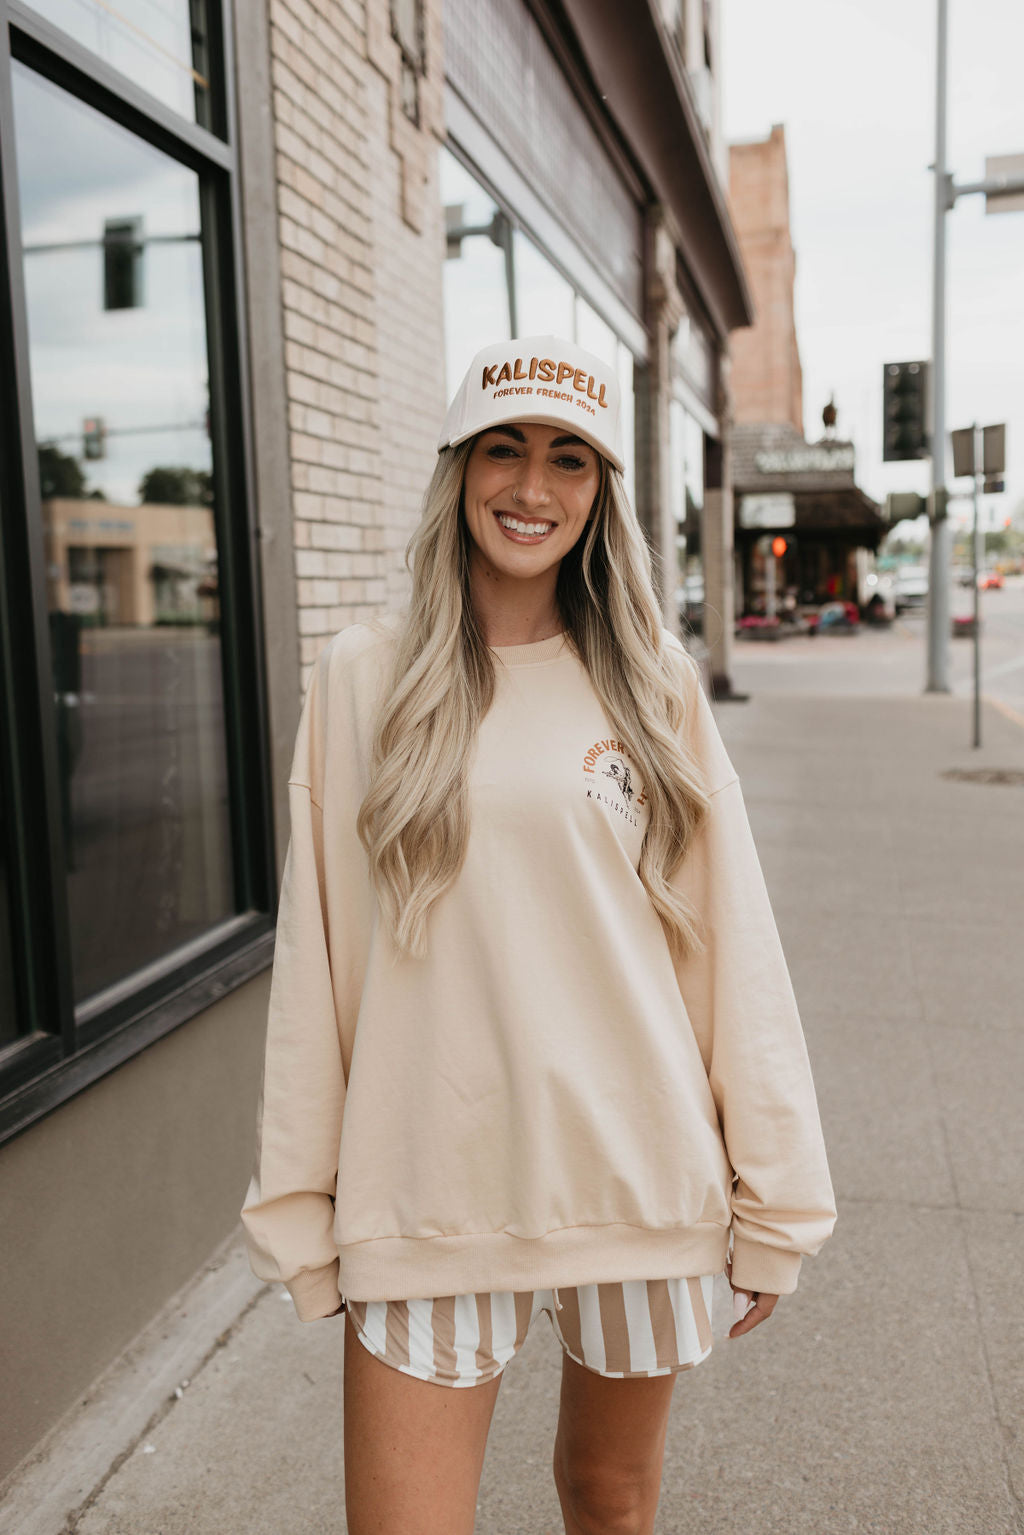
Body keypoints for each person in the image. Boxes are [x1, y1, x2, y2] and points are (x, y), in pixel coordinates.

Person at [240, 334, 836, 1535]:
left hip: (634, 1170)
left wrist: (777, 1196)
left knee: (606, 1499)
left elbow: (729, 945)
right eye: (502, 449)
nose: (531, 486)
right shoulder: (365, 680)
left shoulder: (649, 682)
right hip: (428, 1183)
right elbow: (320, 963)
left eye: (569, 458)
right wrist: (302, 1203)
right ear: (457, 467)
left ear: (602, 490)